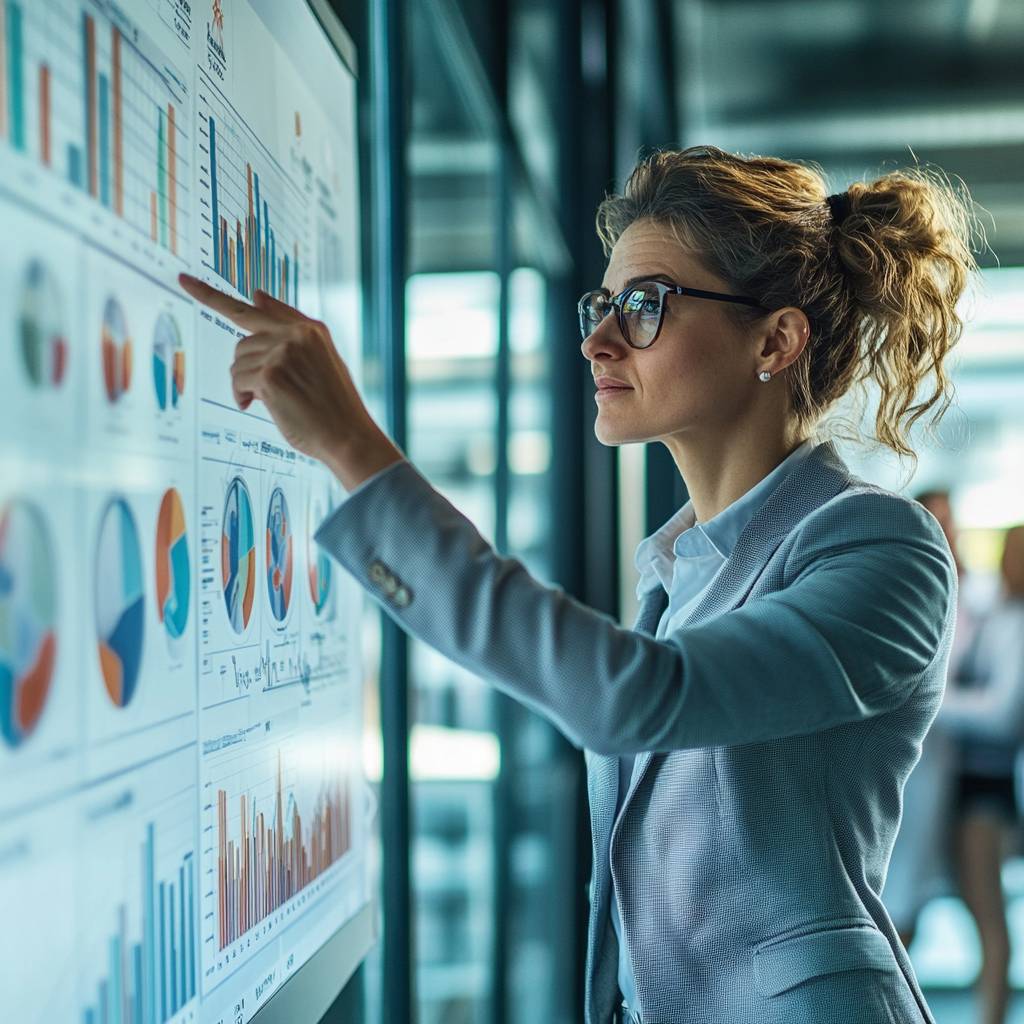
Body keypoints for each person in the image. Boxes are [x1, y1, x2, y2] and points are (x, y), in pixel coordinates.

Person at [179, 142, 982, 1024]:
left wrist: (356, 454)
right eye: (604, 304)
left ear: (776, 339)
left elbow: (638, 698)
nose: (598, 338)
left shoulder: (881, 546)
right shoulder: (678, 570)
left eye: (646, 306)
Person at [883, 489, 982, 952]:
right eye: (934, 518)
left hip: (939, 765)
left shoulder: (975, 603)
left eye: (950, 519)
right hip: (904, 758)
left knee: (911, 890)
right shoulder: (899, 584)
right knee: (892, 884)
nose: (946, 530)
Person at [936, 524, 1024, 1024]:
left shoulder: (1018, 623)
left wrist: (934, 707)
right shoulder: (995, 615)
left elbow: (1004, 714)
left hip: (988, 790)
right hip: (965, 783)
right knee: (976, 907)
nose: (1004, 563)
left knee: (987, 912)